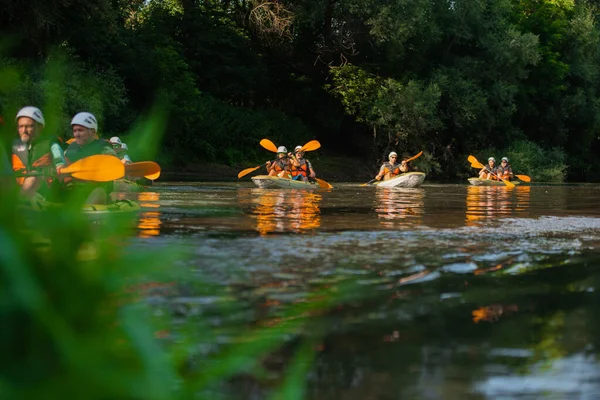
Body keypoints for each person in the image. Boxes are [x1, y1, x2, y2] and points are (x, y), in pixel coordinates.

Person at [11, 106, 66, 199]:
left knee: (32, 177)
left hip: (44, 188)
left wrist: (58, 168)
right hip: (18, 185)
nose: (24, 131)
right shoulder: (13, 147)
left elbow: (61, 165)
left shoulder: (51, 144)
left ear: (40, 127)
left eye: (29, 126)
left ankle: (19, 204)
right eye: (21, 126)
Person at [64, 112, 119, 204]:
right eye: (75, 131)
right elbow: (63, 164)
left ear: (92, 132)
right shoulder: (71, 148)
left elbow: (113, 162)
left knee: (99, 192)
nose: (77, 134)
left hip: (96, 189)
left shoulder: (103, 147)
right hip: (74, 189)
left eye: (81, 130)